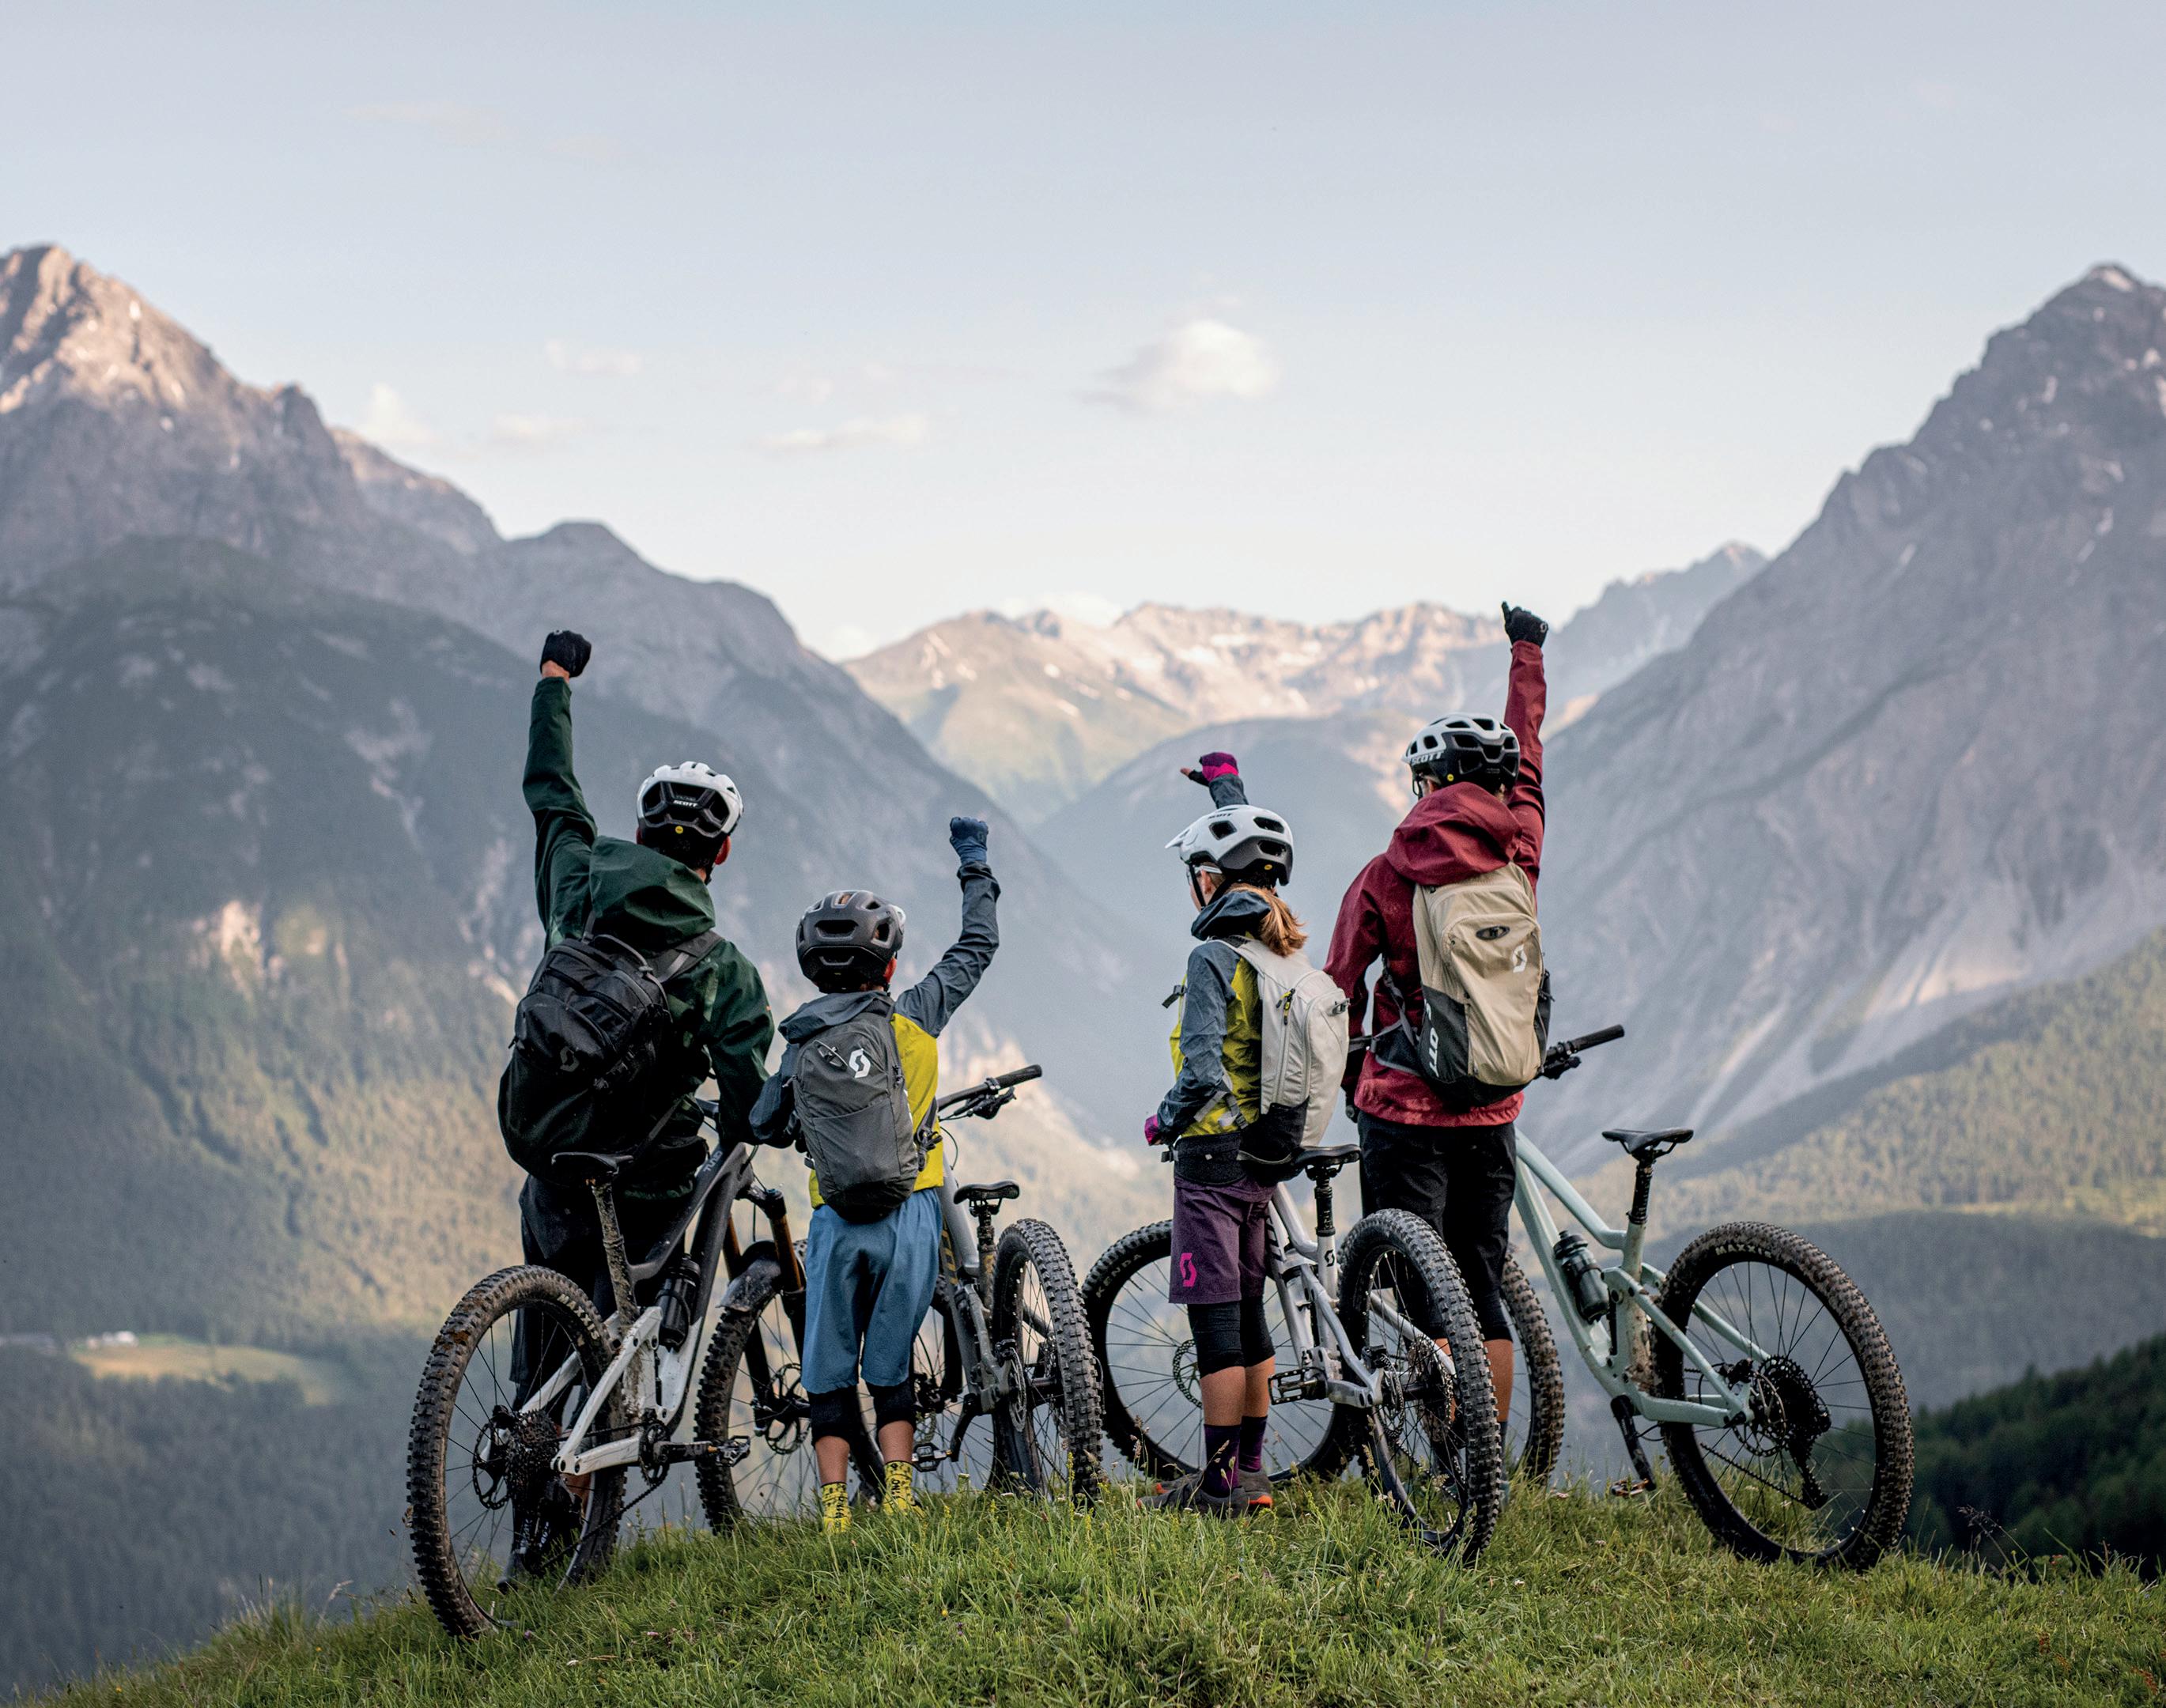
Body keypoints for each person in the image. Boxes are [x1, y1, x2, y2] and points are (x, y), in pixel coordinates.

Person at [508, 629, 774, 1566]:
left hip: (550, 1158)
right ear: (722, 852)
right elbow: (746, 1100)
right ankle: (603, 1480)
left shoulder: (577, 883)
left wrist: (554, 682)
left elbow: (551, 792)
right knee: (640, 1319)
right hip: (647, 1180)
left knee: (546, 1340)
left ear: (643, 829)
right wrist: (754, 1119)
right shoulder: (723, 970)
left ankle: (530, 1542)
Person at [1325, 603, 1549, 1424]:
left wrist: (1350, 1077)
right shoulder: (1519, 852)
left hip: (1403, 1108)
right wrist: (1527, 655)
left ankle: (1453, 1461)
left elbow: (1338, 989)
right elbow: (1531, 765)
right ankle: (1491, 1458)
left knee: (1423, 1289)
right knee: (1481, 1282)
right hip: (1494, 1100)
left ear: (1427, 785)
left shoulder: (1387, 873)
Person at [750, 816, 999, 1534]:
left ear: (812, 969)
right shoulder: (915, 1016)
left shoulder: (802, 1040)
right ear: (887, 967)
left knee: (829, 1367)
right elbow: (977, 947)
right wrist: (973, 859)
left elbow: (765, 1124)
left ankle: (833, 1513)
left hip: (836, 1222)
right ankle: (898, 1498)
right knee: (890, 1363)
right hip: (912, 1215)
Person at [1147, 752, 1306, 1517]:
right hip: (1263, 1159)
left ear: (1208, 882)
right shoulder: (1278, 955)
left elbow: (1203, 1072)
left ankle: (1215, 1489)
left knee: (1216, 1326)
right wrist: (1226, 787)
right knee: (1249, 1316)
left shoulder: (1212, 956)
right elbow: (1248, 853)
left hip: (1210, 1161)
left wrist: (1164, 1118)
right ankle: (1251, 1474)